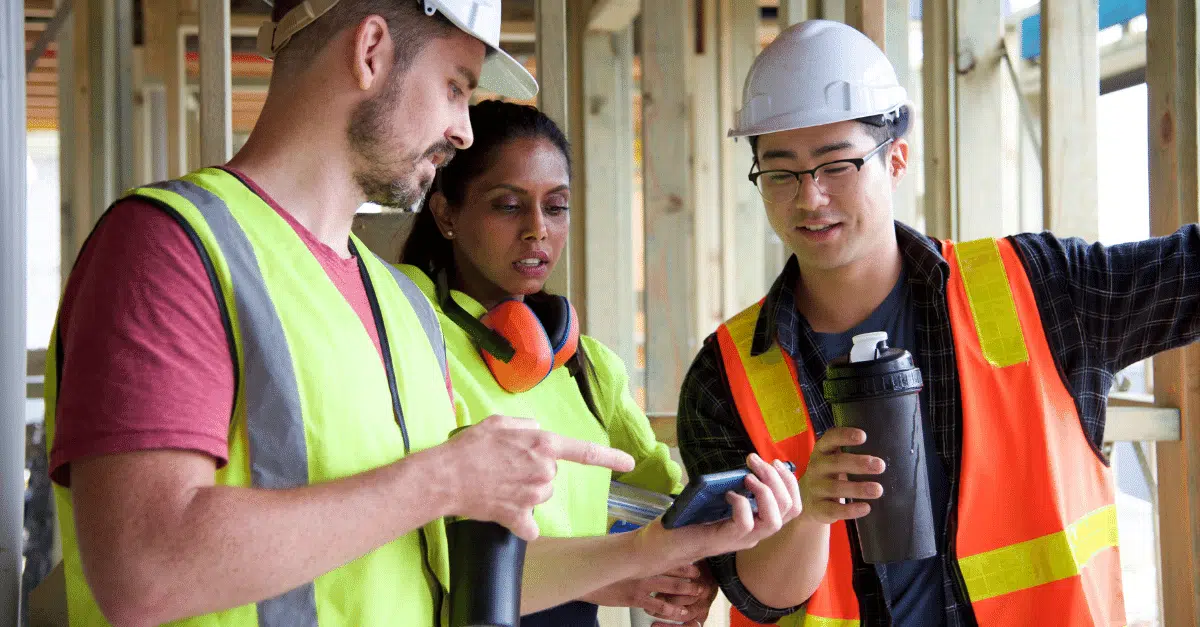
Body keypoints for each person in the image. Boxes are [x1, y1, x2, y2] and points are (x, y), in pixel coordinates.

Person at [42, 2, 642, 625]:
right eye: (456, 87)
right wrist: (442, 480)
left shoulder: (403, 306)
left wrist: (644, 553)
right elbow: (144, 570)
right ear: (371, 51)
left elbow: (431, 571)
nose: (464, 130)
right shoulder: (173, 248)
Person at [676, 18, 1200, 627]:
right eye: (782, 171)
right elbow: (757, 595)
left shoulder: (1040, 289)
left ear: (895, 159)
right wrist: (810, 515)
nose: (810, 197)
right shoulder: (726, 373)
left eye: (836, 164)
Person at [398, 99, 800, 627]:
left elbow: (667, 500)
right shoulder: (406, 327)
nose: (537, 229)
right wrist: (621, 569)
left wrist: (694, 566)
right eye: (507, 205)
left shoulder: (587, 366)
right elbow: (436, 567)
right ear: (446, 211)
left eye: (556, 206)